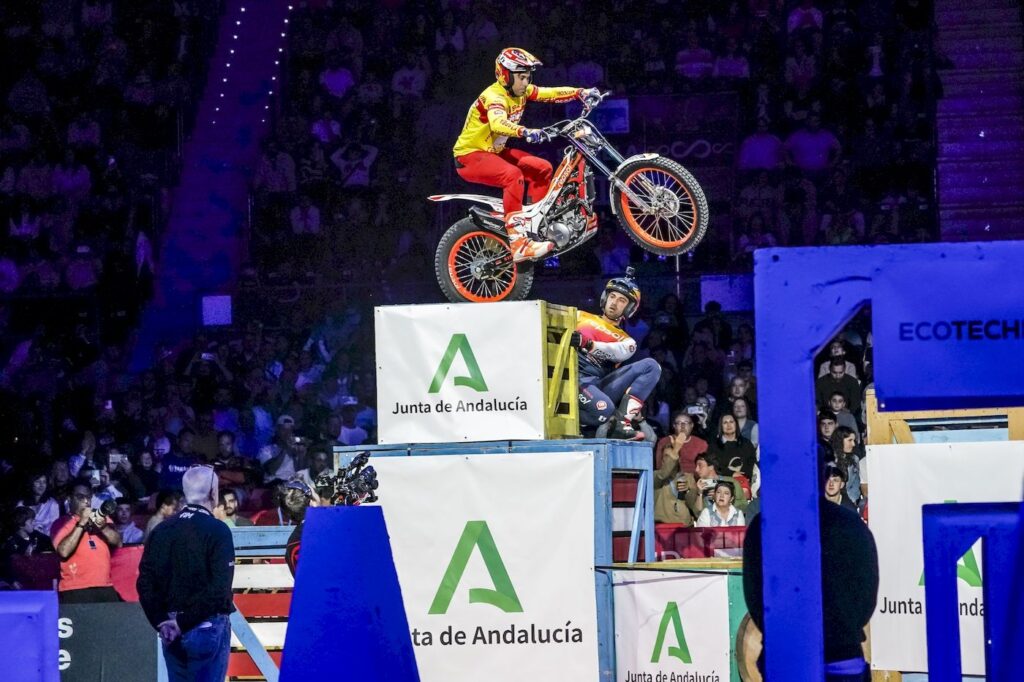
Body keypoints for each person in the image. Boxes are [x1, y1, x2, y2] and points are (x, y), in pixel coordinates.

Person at [452, 47, 599, 262]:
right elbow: (497, 122)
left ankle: (534, 228)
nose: (526, 82)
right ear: (505, 75)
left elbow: (549, 93)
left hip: (494, 152)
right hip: (469, 156)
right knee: (512, 176)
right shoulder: (494, 96)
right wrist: (524, 131)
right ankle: (519, 243)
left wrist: (580, 92)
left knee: (543, 168)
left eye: (528, 77)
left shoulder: (521, 92)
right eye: (521, 77)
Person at [743, 475, 879, 679]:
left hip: (788, 652)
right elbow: (868, 590)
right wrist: (845, 630)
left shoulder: (764, 526)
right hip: (842, 654)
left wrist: (777, 634)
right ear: (823, 477)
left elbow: (755, 594)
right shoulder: (851, 523)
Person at [138, 467, 235, 682]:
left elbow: (145, 583)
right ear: (213, 492)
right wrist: (182, 623)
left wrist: (162, 621)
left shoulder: (160, 531)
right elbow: (220, 590)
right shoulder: (218, 530)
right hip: (204, 626)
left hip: (170, 629)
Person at [571, 269, 662, 440]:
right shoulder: (579, 316)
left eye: (622, 300)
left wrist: (588, 344)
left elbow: (615, 353)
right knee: (605, 411)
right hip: (574, 379)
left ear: (629, 308)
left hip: (598, 385)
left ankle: (621, 423)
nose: (614, 303)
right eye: (612, 296)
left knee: (651, 366)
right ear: (605, 298)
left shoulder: (628, 342)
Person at [52, 490, 122, 602]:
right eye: (80, 497)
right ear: (70, 500)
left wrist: (102, 526)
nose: (86, 500)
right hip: (75, 587)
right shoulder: (62, 522)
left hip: (105, 585)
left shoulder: (101, 518)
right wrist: (82, 523)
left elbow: (118, 542)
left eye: (88, 497)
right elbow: (63, 551)